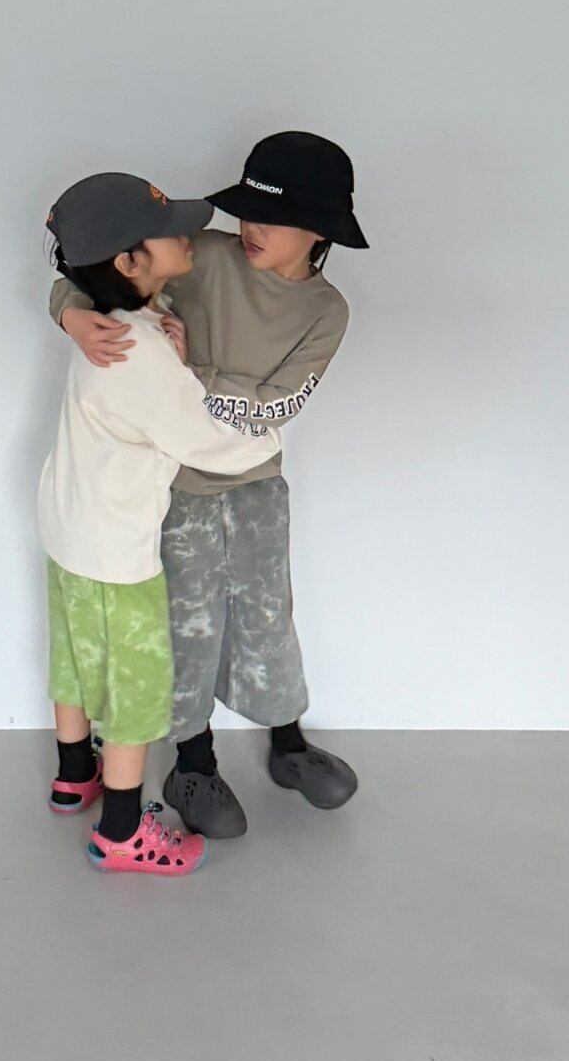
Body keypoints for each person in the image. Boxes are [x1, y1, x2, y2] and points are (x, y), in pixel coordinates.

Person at [48, 132, 367, 838]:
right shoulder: (204, 256)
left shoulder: (326, 311)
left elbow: (277, 406)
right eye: (247, 209)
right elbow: (99, 274)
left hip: (256, 483)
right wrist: (69, 312)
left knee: (267, 616)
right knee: (187, 628)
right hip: (172, 489)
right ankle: (194, 763)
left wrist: (192, 373)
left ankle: (288, 743)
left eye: (271, 217)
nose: (250, 226)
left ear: (319, 231)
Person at [37, 172, 287, 875]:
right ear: (128, 261)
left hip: (68, 524)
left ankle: (72, 775)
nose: (189, 233)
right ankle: (122, 832)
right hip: (118, 549)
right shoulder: (137, 352)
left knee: (74, 658)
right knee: (138, 687)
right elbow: (204, 440)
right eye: (171, 229)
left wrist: (162, 342)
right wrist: (269, 437)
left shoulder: (112, 323)